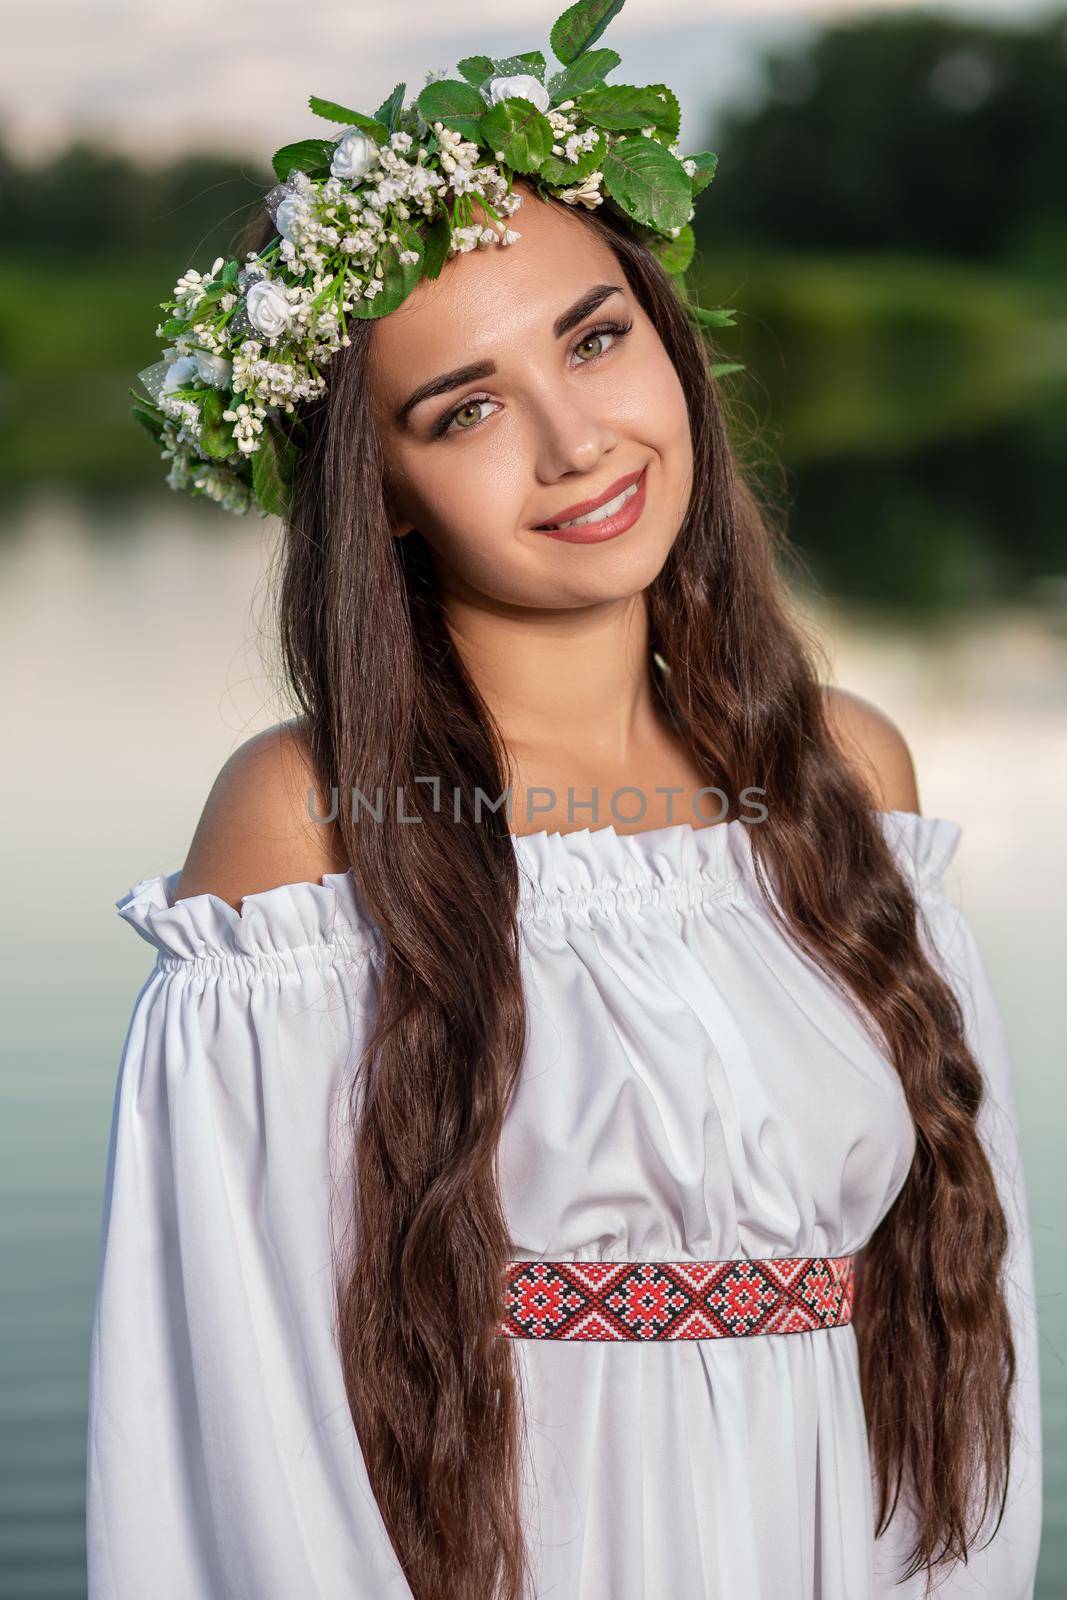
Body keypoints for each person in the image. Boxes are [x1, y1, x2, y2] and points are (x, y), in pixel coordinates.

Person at [86, 9, 1042, 1598]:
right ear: (374, 489)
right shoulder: (310, 828)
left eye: (593, 340)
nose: (576, 441)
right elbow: (251, 1420)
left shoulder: (849, 780)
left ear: (669, 339)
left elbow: (962, 1335)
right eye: (463, 410)